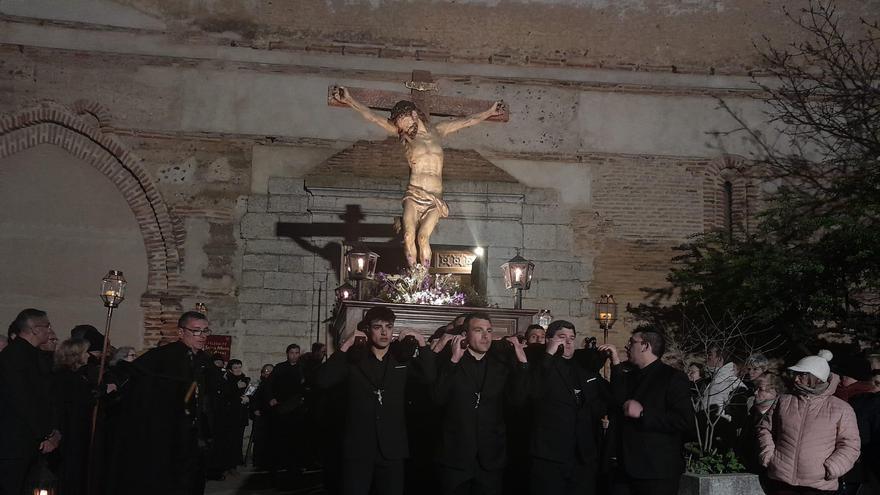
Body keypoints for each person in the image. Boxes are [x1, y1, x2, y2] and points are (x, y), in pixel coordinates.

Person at [331, 86, 505, 267]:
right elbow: (373, 117)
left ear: (414, 114)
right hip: (414, 194)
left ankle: (423, 278)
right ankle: (414, 277)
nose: (402, 128)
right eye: (399, 125)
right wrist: (349, 100)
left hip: (434, 198)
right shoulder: (406, 137)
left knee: (423, 238)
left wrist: (490, 112)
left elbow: (467, 121)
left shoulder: (439, 130)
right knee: (408, 236)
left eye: (403, 122)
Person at [314, 306, 436, 495]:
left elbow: (429, 377)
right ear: (368, 329)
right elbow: (323, 380)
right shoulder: (355, 359)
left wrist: (421, 343)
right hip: (358, 447)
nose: (384, 332)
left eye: (389, 326)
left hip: (393, 448)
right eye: (378, 327)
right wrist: (346, 346)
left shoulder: (401, 360)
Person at [112, 311, 221, 495]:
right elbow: (132, 374)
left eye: (205, 331)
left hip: (195, 434)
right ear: (180, 332)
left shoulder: (205, 361)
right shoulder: (163, 356)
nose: (202, 336)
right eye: (196, 331)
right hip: (168, 433)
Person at [433, 312, 530, 495]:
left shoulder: (500, 366)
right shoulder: (450, 362)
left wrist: (522, 363)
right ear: (465, 335)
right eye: (479, 330)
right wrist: (454, 361)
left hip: (490, 458)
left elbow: (517, 401)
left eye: (489, 331)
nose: (486, 336)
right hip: (455, 457)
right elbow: (437, 398)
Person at [598, 327, 694, 495]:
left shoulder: (672, 377)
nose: (627, 346)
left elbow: (684, 420)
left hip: (656, 471)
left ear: (645, 346)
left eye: (631, 342)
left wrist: (643, 414)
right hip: (624, 468)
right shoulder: (631, 375)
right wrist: (615, 360)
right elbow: (619, 398)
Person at [757, 352, 860, 495]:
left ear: (816, 377)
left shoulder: (841, 408)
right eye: (796, 373)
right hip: (781, 482)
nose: (796, 378)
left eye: (802, 374)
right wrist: (769, 456)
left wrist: (831, 468)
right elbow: (765, 429)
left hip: (819, 486)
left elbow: (850, 445)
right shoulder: (783, 401)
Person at [530, 320, 607, 495]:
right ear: (549, 340)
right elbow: (533, 392)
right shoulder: (540, 364)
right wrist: (549, 354)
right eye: (562, 337)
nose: (568, 342)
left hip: (582, 455)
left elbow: (609, 398)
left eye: (572, 338)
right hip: (551, 456)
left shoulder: (583, 368)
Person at [0, 309, 61, 495]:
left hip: (26, 441)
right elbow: (23, 400)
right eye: (47, 326)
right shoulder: (14, 357)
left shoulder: (32, 355)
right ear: (34, 329)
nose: (50, 331)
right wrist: (45, 434)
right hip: (12, 444)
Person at [50, 338, 93, 495]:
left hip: (75, 434)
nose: (88, 356)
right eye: (85, 352)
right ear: (76, 355)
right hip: (69, 435)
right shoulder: (68, 379)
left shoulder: (77, 377)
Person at [268, 343, 306, 481]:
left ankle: (294, 468)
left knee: (295, 440)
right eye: (292, 353)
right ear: (287, 353)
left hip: (297, 410)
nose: (294, 355)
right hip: (281, 408)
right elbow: (269, 385)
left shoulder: (303, 369)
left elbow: (307, 387)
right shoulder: (279, 368)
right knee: (279, 438)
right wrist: (271, 398)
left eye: (297, 353)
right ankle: (278, 467)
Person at [249, 364, 274, 470]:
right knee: (259, 439)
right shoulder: (256, 383)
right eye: (266, 371)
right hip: (260, 414)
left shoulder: (275, 384)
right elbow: (249, 396)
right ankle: (258, 461)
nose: (268, 372)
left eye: (271, 371)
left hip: (272, 414)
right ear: (262, 373)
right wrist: (255, 409)